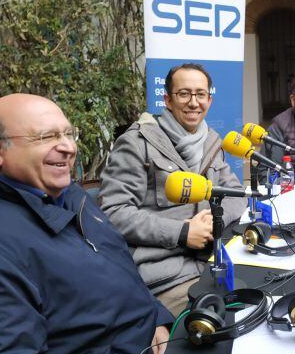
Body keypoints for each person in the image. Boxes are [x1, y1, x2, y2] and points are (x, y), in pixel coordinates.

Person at [0, 94, 172, 354]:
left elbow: (122, 272)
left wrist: (158, 317)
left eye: (68, 133)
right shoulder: (0, 243)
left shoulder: (73, 196)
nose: (67, 147)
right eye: (45, 137)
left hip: (159, 346)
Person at [99, 63, 246, 316]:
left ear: (209, 100)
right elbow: (113, 213)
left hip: (212, 262)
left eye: (200, 94)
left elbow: (235, 193)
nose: (193, 102)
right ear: (167, 99)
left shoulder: (211, 140)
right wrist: (182, 232)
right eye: (184, 94)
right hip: (166, 276)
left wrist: (213, 220)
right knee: (219, 325)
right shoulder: (137, 143)